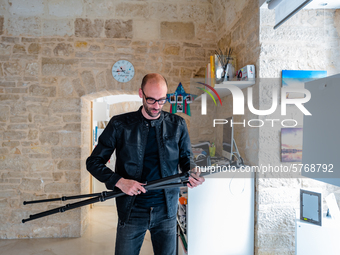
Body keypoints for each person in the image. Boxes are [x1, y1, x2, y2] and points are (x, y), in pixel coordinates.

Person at [86, 73, 205, 255]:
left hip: (166, 210)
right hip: (132, 209)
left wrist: (192, 171)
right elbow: (93, 162)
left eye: (162, 100)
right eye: (151, 100)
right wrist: (119, 181)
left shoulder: (178, 124)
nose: (157, 106)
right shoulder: (120, 125)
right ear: (141, 93)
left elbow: (186, 158)